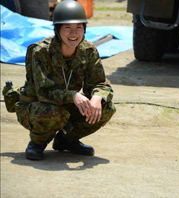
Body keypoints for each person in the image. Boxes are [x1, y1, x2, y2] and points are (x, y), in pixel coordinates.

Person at [13, 0, 116, 160]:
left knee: (105, 107)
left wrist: (97, 96)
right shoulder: (41, 52)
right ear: (57, 30)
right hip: (36, 107)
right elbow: (44, 93)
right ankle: (37, 143)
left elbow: (100, 83)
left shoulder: (88, 51)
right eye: (67, 28)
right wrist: (74, 96)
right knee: (55, 112)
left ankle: (66, 140)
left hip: (67, 105)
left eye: (79, 28)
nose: (74, 34)